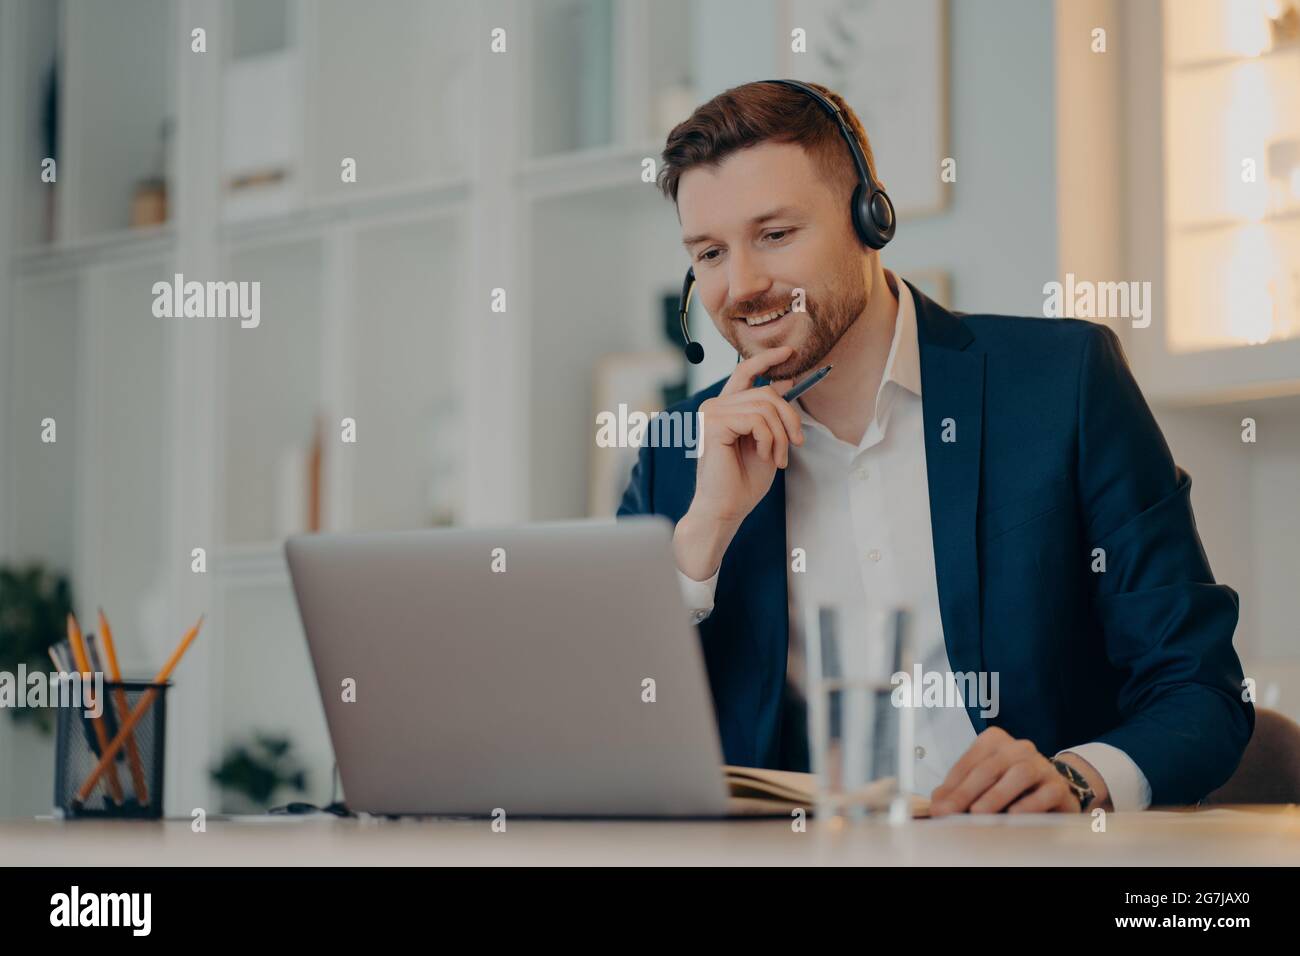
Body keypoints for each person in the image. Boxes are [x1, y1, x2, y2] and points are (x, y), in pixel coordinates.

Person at [617, 80, 1252, 814]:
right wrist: (704, 536)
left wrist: (1079, 778)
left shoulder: (1064, 385)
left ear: (869, 217)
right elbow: (611, 730)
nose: (743, 285)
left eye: (776, 234)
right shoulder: (677, 455)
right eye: (710, 253)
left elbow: (1201, 688)